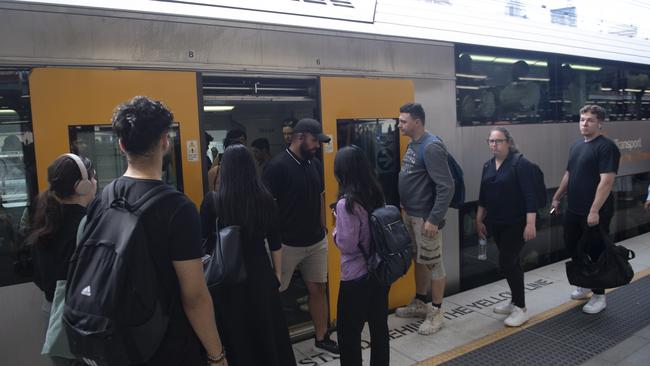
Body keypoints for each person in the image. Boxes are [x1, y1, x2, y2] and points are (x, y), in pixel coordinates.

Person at [89, 96, 226, 365]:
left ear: (121, 145)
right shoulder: (178, 207)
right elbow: (195, 296)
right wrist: (216, 354)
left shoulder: (104, 197)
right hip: (167, 344)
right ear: (165, 141)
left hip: (120, 339)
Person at [200, 144, 295, 366]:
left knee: (236, 335)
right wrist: (277, 275)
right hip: (260, 276)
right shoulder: (265, 199)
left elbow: (202, 244)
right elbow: (275, 242)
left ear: (226, 169)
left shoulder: (212, 201)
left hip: (226, 279)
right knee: (266, 332)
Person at [262, 118, 339, 354]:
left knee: (318, 289)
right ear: (300, 137)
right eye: (315, 141)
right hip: (286, 244)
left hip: (316, 242)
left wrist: (322, 225)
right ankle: (272, 345)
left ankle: (321, 336)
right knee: (275, 293)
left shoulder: (314, 164)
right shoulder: (277, 167)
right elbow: (266, 206)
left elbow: (319, 195)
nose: (318, 146)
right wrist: (273, 241)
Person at [28, 153, 97, 366]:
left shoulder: (45, 219)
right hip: (80, 319)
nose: (95, 182)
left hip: (52, 315)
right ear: (82, 186)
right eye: (93, 177)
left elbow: (39, 276)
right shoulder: (87, 224)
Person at [551, 104, 620, 314]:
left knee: (596, 249)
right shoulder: (576, 146)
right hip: (574, 208)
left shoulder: (607, 147)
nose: (584, 123)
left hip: (595, 211)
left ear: (600, 123)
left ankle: (599, 295)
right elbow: (569, 174)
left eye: (589, 120)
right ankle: (584, 282)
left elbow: (606, 181)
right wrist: (557, 196)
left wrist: (594, 210)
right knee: (573, 246)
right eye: (582, 119)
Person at [394, 102, 454, 335]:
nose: (399, 125)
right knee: (419, 259)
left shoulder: (431, 147)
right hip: (411, 214)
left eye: (403, 121)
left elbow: (446, 186)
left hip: (426, 218)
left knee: (433, 262)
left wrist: (433, 218)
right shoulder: (413, 143)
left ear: (417, 122)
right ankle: (420, 302)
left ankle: (437, 312)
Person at [332, 146, 389, 366]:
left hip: (356, 278)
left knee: (348, 335)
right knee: (379, 329)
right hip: (379, 273)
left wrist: (336, 227)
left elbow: (347, 245)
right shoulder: (376, 192)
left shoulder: (346, 203)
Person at [475, 127, 537, 327]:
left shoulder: (521, 164)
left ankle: (522, 308)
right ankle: (514, 301)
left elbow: (530, 196)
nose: (494, 145)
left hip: (516, 224)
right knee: (511, 262)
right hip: (497, 223)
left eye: (498, 141)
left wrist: (530, 224)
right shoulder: (487, 165)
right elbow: (483, 196)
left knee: (507, 261)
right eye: (491, 141)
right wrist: (478, 220)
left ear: (509, 142)